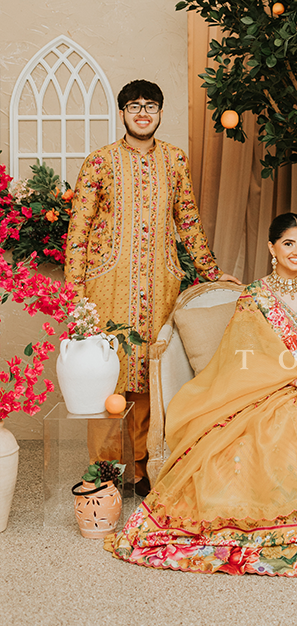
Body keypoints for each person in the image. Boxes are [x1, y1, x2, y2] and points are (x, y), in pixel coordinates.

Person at [109, 213, 297, 575]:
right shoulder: (255, 296)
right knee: (276, 427)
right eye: (289, 243)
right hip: (269, 386)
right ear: (272, 247)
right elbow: (248, 357)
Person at [65, 79, 238, 495]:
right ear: (122, 112)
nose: (143, 113)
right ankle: (104, 472)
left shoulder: (175, 160)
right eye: (134, 106)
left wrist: (210, 271)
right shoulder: (99, 162)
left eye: (151, 106)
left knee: (148, 375)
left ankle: (142, 468)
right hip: (107, 284)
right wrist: (75, 294)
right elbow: (78, 230)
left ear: (160, 112)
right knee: (107, 377)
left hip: (160, 282)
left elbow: (189, 221)